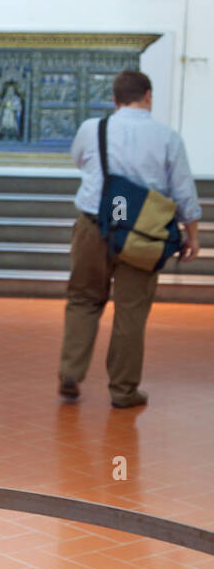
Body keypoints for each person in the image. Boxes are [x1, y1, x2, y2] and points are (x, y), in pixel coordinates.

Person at [58, 69, 200, 408]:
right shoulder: (168, 138)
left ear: (114, 99)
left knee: (83, 299)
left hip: (94, 225)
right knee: (130, 312)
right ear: (148, 95)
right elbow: (183, 193)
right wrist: (191, 235)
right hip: (144, 235)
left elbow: (80, 161)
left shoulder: (93, 129)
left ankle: (70, 372)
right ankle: (123, 391)